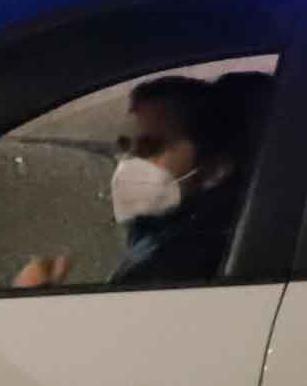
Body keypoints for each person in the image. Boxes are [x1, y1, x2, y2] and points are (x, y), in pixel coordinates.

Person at [16, 67, 268, 291]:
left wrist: (31, 299)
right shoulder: (157, 238)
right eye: (125, 145)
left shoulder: (187, 265)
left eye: (151, 147)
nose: (128, 161)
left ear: (214, 169)